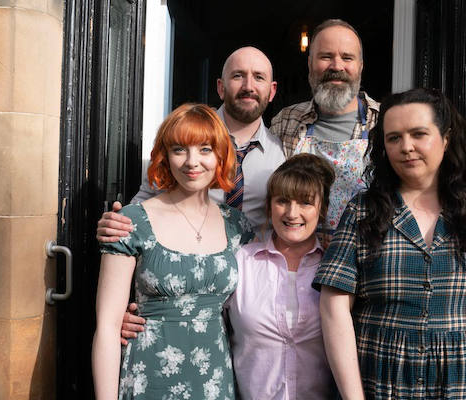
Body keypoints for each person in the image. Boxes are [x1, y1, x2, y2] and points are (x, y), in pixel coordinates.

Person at [314, 88, 466, 399]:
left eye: (419, 134)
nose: (406, 147)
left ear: (445, 139)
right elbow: (333, 306)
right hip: (382, 386)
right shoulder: (362, 212)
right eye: (393, 138)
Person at [92, 103, 254, 399]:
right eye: (180, 149)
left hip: (214, 382)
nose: (192, 162)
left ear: (220, 155)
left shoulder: (237, 225)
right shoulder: (131, 221)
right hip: (148, 377)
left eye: (205, 149)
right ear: (165, 157)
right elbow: (107, 326)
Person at [97, 46, 285, 239]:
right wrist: (118, 225)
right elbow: (146, 200)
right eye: (238, 76)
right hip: (189, 258)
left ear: (272, 92)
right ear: (221, 87)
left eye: (259, 77)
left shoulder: (281, 154)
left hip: (254, 265)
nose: (248, 86)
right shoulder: (182, 136)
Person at [226, 153, 337, 399]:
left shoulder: (334, 266)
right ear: (269, 206)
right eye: (283, 201)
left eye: (305, 202)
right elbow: (202, 317)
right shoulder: (241, 263)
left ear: (322, 209)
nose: (292, 213)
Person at [271, 19, 379, 235]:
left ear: (360, 66)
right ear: (310, 63)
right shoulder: (286, 120)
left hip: (363, 259)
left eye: (347, 58)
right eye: (326, 56)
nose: (336, 66)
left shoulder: (384, 121)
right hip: (298, 258)